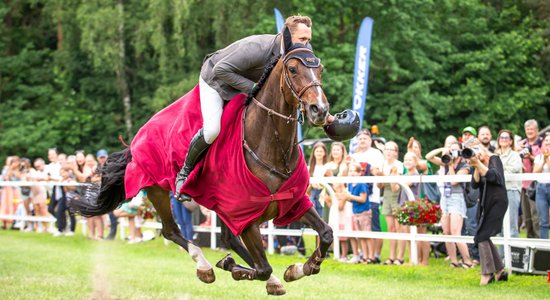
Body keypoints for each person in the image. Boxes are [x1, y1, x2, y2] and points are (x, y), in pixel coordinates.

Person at [175, 15, 318, 201]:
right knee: (212, 130)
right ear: (287, 36)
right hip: (216, 80)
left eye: (308, 39)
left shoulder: (301, 52)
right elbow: (221, 70)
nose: (306, 45)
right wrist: (253, 88)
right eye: (302, 39)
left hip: (246, 82)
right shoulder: (257, 48)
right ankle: (184, 174)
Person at [426, 141, 474, 268]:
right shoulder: (446, 162)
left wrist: (451, 165)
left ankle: (467, 261)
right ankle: (454, 261)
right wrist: (443, 149)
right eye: (451, 150)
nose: (452, 153)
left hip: (457, 198)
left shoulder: (465, 166)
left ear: (460, 151)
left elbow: (454, 182)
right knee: (446, 232)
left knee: (455, 232)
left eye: (455, 150)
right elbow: (428, 157)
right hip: (445, 198)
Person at [468, 140, 509, 285]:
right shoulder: (477, 164)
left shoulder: (494, 159)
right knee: (483, 235)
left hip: (497, 202)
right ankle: (500, 270)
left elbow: (495, 177)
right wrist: (476, 166)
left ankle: (487, 273)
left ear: (484, 149)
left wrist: (479, 164)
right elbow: (474, 184)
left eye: (477, 149)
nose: (476, 153)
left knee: (481, 235)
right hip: (486, 203)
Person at [351, 129, 383, 263]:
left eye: (365, 138)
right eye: (360, 139)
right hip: (357, 198)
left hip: (372, 195)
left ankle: (376, 255)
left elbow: (379, 171)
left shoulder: (376, 154)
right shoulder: (355, 156)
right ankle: (365, 255)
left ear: (370, 140)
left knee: (374, 227)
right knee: (361, 229)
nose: (362, 141)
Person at [338, 162, 373, 264]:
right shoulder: (349, 184)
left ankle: (370, 256)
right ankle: (364, 256)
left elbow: (363, 199)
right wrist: (343, 197)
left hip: (364, 212)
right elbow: (351, 199)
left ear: (360, 173)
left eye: (355, 171)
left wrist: (348, 197)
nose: (352, 173)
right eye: (350, 171)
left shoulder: (361, 184)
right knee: (360, 235)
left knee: (366, 235)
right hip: (355, 212)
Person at [378, 141, 405, 265]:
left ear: (396, 152)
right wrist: (379, 176)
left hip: (397, 196)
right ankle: (391, 257)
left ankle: (400, 257)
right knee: (390, 228)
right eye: (386, 149)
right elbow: (380, 186)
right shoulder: (382, 164)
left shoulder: (398, 164)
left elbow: (396, 187)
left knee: (399, 227)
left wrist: (384, 175)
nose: (388, 151)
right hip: (386, 195)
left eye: (391, 149)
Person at [495, 129, 522, 238]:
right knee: (500, 226)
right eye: (502, 137)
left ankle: (515, 254)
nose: (504, 139)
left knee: (512, 225)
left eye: (506, 137)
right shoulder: (496, 156)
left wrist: (498, 168)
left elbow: (513, 169)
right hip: (498, 193)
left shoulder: (515, 155)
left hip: (511, 191)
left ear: (511, 141)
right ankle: (501, 255)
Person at [518, 119, 543, 238]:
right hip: (524, 184)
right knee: (526, 217)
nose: (530, 131)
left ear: (537, 130)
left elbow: (543, 161)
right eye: (527, 129)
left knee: (536, 216)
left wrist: (531, 157)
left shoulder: (542, 143)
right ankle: (529, 244)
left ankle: (539, 246)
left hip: (537, 184)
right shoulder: (522, 143)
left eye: (532, 129)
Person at [533, 133, 550, 239]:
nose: (548, 143)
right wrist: (543, 159)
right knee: (543, 220)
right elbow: (535, 172)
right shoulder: (538, 157)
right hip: (540, 189)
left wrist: (547, 159)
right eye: (546, 141)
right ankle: (544, 249)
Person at [307, 142, 331, 217]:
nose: (319, 153)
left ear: (324, 153)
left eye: (321, 151)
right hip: (312, 193)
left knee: (322, 214)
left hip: (323, 193)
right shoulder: (309, 167)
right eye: (317, 151)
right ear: (314, 153)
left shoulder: (328, 166)